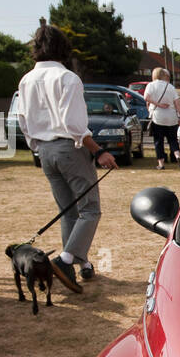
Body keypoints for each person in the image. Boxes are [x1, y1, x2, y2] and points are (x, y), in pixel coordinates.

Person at [16, 19, 118, 292]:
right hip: (69, 147)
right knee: (89, 210)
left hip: (44, 150)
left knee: (67, 212)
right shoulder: (67, 78)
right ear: (64, 48)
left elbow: (23, 120)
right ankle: (64, 260)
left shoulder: (26, 79)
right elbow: (73, 124)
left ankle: (77, 265)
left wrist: (37, 148)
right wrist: (99, 151)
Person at [144, 66, 180, 170]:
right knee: (173, 140)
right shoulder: (170, 87)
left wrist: (158, 104)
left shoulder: (151, 85)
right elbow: (177, 104)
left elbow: (146, 98)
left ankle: (161, 164)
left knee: (158, 141)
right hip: (171, 117)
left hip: (158, 116)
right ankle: (177, 156)